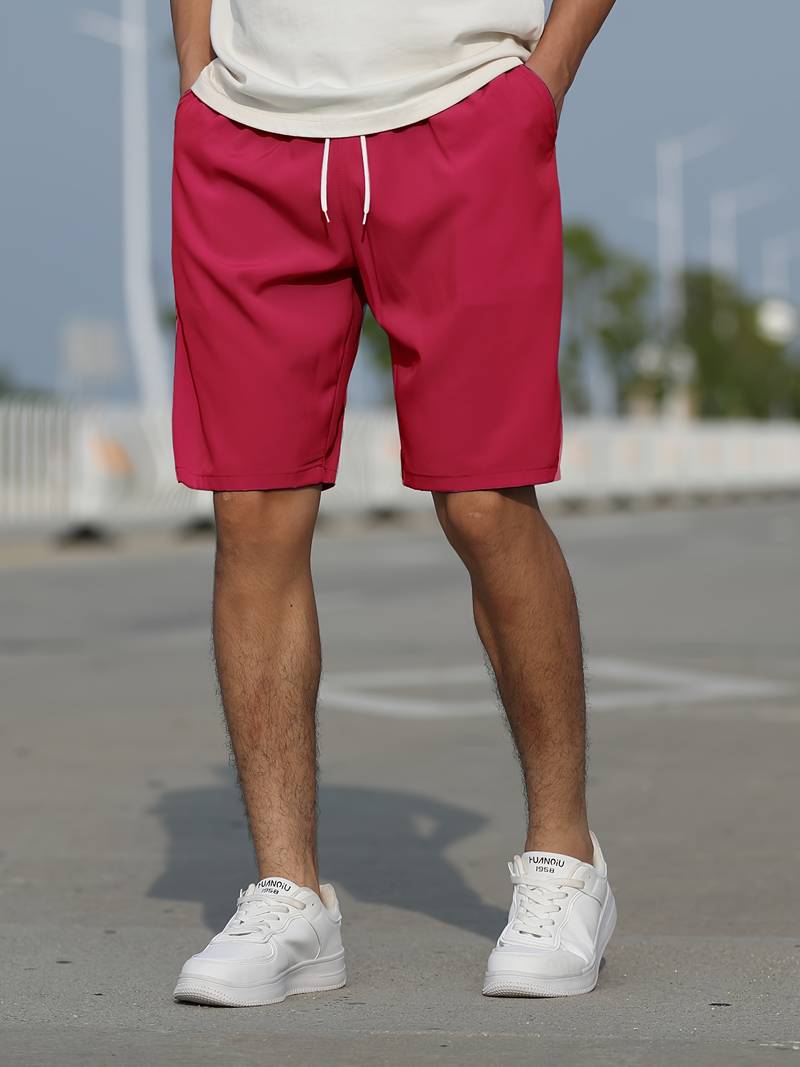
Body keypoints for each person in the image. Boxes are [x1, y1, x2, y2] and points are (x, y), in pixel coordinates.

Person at [169, 0, 617, 1006]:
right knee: (252, 508)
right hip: (247, 135)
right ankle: (288, 895)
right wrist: (197, 71)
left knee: (484, 499)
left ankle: (564, 859)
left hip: (461, 117)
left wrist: (542, 81)